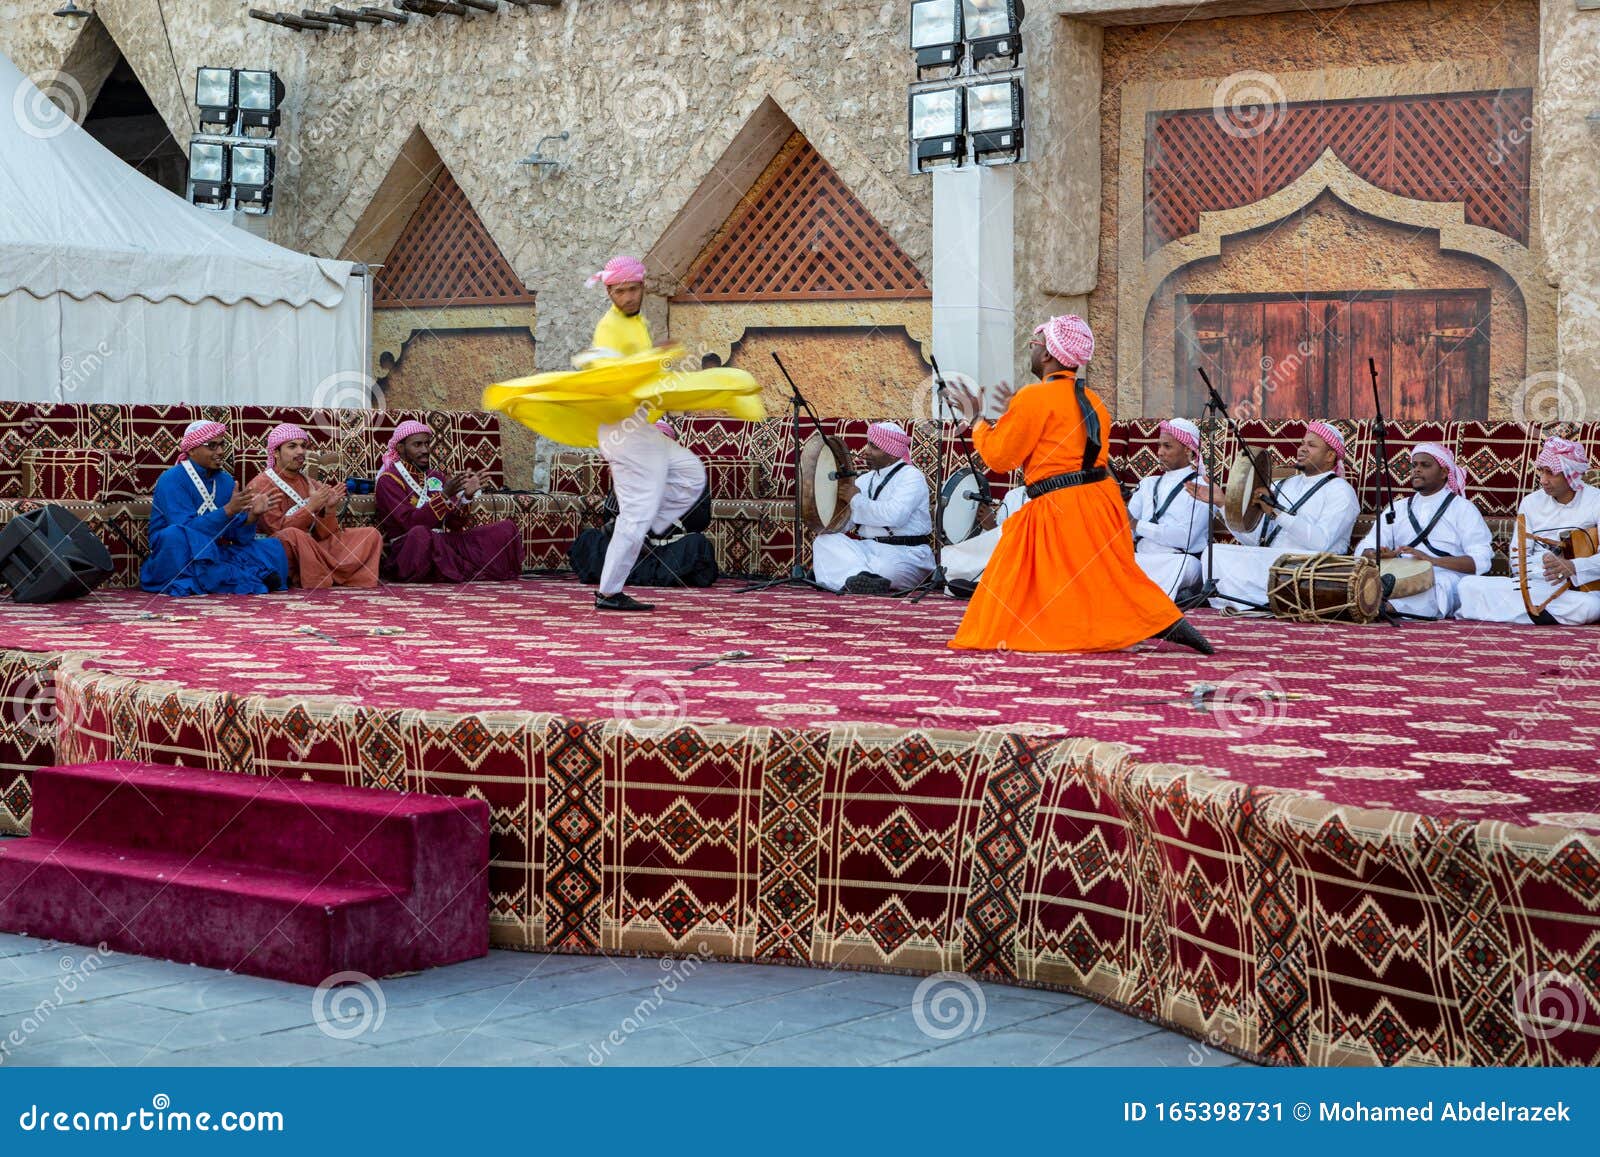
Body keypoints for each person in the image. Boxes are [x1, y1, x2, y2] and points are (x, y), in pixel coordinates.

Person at [948, 315, 1211, 654]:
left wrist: (977, 420)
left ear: (1048, 355)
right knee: (1104, 576)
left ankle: (1149, 622)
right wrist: (1016, 411)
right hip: (1100, 502)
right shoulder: (1094, 400)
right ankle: (1163, 620)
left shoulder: (1035, 397)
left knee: (1011, 581)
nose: (1030, 349)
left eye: (1034, 344)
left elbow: (1000, 459)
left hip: (1059, 504)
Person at [585, 258, 710, 611]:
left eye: (633, 289)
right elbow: (612, 374)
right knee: (636, 514)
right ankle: (610, 590)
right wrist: (654, 359)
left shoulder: (635, 322)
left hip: (638, 426)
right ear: (609, 292)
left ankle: (645, 526)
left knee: (689, 472)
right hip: (622, 427)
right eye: (620, 290)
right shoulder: (611, 328)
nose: (627, 296)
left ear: (642, 287)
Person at [1191, 421, 1360, 611]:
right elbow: (1255, 540)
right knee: (1215, 553)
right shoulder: (1282, 485)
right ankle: (1255, 602)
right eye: (1302, 443)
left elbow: (1321, 542)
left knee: (1267, 565)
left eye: (1311, 445)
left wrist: (1277, 513)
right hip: (1272, 561)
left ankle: (1253, 600)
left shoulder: (1341, 491)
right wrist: (1222, 503)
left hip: (1312, 568)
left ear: (1330, 456)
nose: (1302, 449)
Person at [1457, 437, 1600, 625]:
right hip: (1537, 583)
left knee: (1590, 606)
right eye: (1541, 471)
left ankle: (1522, 613)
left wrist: (1573, 567)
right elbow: (1518, 558)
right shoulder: (1531, 502)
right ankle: (1540, 614)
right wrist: (1541, 570)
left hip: (1582, 588)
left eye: (1551, 473)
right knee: (1467, 586)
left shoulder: (1595, 501)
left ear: (1570, 473)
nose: (1543, 480)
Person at [141, 420, 288, 597]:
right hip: (179, 553)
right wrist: (227, 511)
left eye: (221, 445)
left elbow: (237, 537)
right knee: (175, 535)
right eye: (212, 446)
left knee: (271, 546)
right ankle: (244, 576)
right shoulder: (172, 479)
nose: (219, 452)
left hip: (216, 551)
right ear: (192, 449)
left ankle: (231, 575)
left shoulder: (225, 481)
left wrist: (252, 517)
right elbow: (187, 529)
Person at [1353, 442, 1492, 619]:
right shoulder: (1398, 508)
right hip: (1399, 572)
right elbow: (1366, 545)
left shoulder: (1463, 509)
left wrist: (1432, 561)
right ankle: (1369, 603)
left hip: (1445, 574)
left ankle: (1387, 607)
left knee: (1441, 584)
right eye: (1414, 465)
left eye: (1425, 465)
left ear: (1443, 473)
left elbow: (1481, 560)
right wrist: (1377, 553)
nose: (1416, 470)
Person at [374, 420, 524, 583]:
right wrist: (444, 497)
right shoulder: (388, 480)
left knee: (505, 529)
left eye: (427, 444)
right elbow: (409, 523)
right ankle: (463, 568)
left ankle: (456, 567)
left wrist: (466, 498)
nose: (425, 450)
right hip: (411, 547)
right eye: (417, 445)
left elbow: (454, 525)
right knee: (421, 534)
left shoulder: (436, 477)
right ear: (400, 448)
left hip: (442, 542)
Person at [246, 423, 382, 590]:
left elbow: (326, 534)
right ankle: (322, 575)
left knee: (370, 534)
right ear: (276, 452)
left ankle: (329, 573)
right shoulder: (262, 484)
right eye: (292, 446)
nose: (300, 452)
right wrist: (310, 507)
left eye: (303, 446)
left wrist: (330, 509)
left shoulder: (309, 482)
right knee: (293, 534)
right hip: (281, 550)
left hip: (312, 547)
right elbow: (276, 531)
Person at [812, 421, 935, 594]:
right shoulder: (864, 480)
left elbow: (895, 516)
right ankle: (858, 578)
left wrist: (855, 499)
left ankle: (839, 575)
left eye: (874, 447)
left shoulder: (912, 477)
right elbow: (847, 524)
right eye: (868, 444)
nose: (866, 451)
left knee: (886, 570)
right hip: (869, 549)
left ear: (892, 454)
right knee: (824, 541)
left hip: (906, 553)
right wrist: (830, 514)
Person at [1127, 418, 1210, 601]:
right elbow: (1127, 530)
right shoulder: (1147, 483)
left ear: (1188, 450)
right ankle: (1173, 594)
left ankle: (1142, 592)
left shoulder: (1202, 488)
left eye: (1167, 446)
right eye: (1159, 446)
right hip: (1142, 558)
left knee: (1183, 566)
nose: (1160, 453)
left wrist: (1136, 525)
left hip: (1177, 559)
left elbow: (1184, 538)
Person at [943, 485, 1027, 597]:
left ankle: (985, 586)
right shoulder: (1014, 495)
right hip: (1005, 551)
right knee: (946, 557)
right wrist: (991, 525)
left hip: (1032, 555)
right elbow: (998, 536)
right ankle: (982, 585)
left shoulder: (1054, 495)